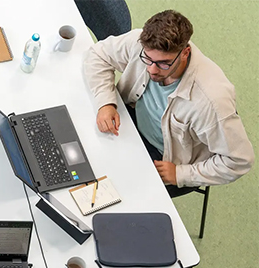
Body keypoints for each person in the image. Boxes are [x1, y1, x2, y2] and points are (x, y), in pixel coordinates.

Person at [83, 10, 254, 195]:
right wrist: (105, 103)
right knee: (84, 157)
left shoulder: (212, 102)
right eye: (147, 59)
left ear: (185, 53)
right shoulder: (141, 43)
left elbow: (240, 160)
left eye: (163, 63)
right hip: (130, 124)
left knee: (115, 195)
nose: (152, 69)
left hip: (168, 160)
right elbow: (97, 55)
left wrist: (181, 175)